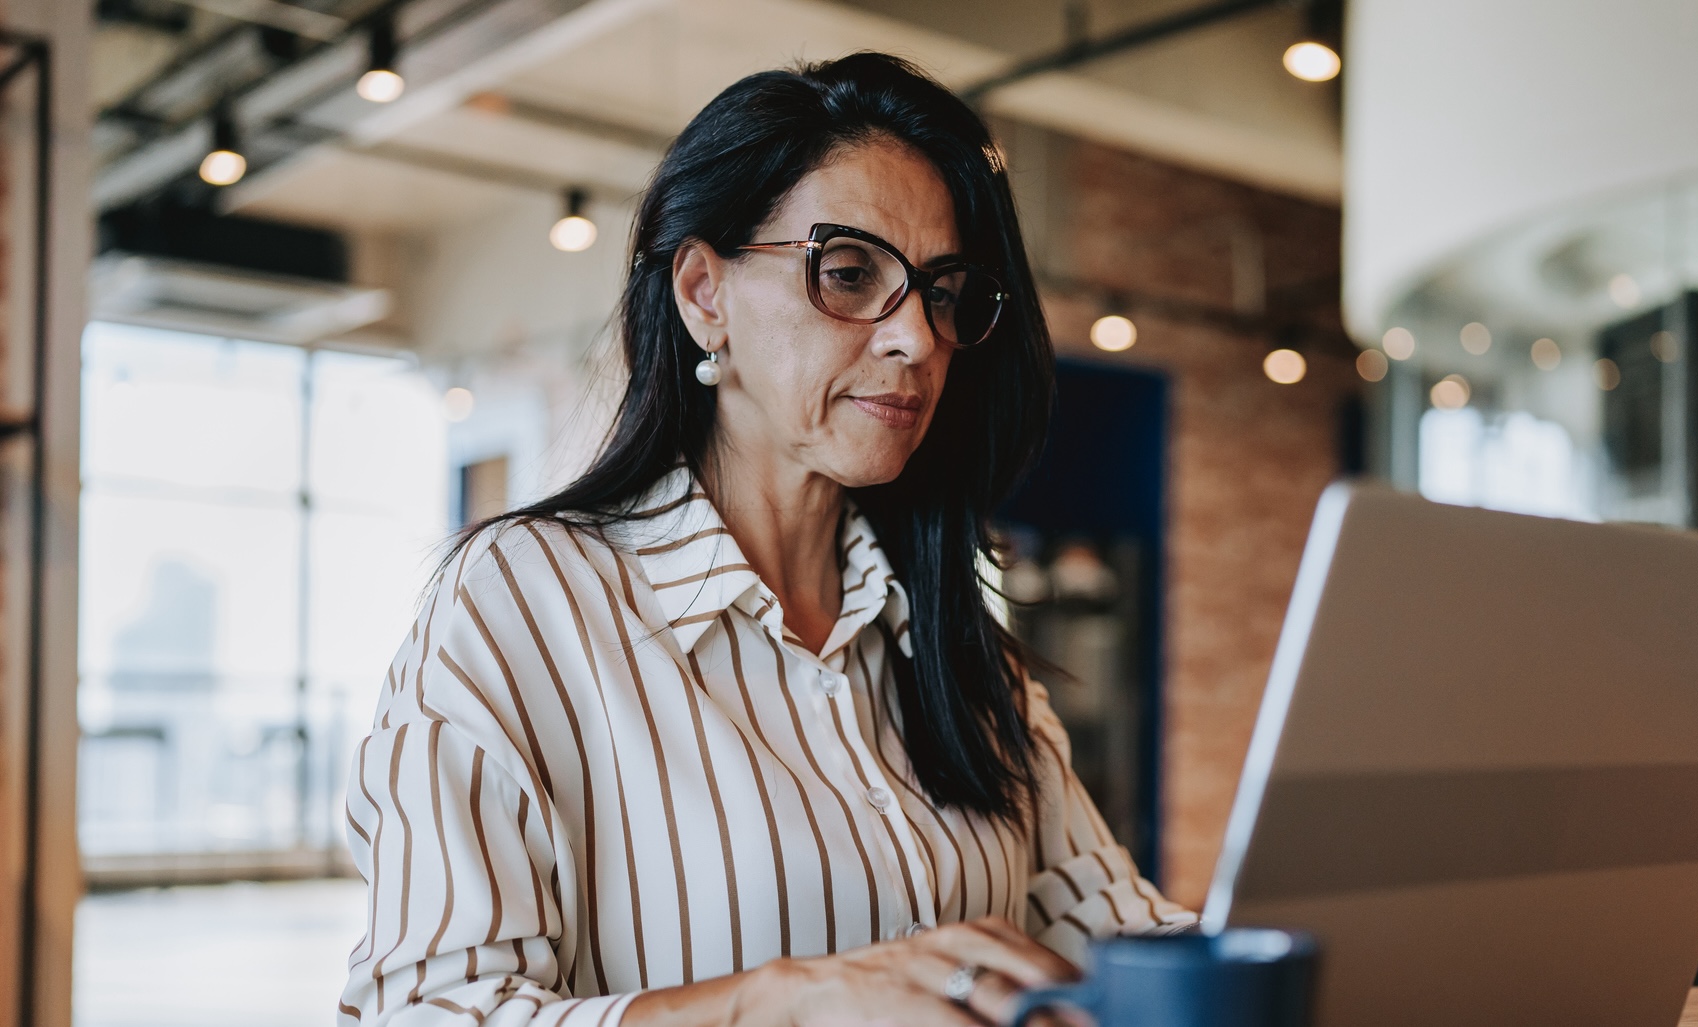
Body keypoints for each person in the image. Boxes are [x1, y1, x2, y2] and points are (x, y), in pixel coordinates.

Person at [337, 52, 1193, 1027]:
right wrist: (776, 1002)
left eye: (943, 291)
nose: (918, 337)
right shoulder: (526, 601)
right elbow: (427, 1009)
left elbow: (1122, 937)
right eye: (850, 273)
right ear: (705, 293)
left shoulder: (956, 646)